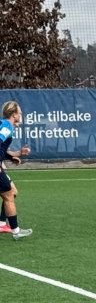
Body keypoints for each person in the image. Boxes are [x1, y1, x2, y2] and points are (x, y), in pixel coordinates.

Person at [0, 101, 33, 239]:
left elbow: (2, 149)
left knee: (11, 192)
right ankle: (16, 232)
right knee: (9, 195)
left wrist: (17, 154)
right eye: (19, 113)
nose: (20, 115)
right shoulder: (6, 126)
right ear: (14, 114)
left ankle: (3, 224)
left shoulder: (4, 125)